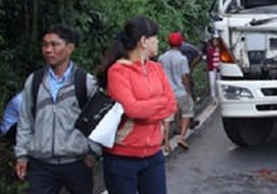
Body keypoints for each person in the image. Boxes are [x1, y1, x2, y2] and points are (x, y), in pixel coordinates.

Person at [14, 24, 99, 194]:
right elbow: (25, 120)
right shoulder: (35, 81)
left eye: (54, 44)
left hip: (77, 163)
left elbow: (99, 120)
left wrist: (93, 151)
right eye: (45, 45)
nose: (48, 50)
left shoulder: (85, 81)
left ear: (69, 48)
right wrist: (22, 155)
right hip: (41, 165)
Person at [95, 15, 176, 194]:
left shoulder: (156, 68)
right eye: (155, 38)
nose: (158, 42)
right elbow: (132, 109)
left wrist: (145, 110)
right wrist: (158, 104)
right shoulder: (118, 71)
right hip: (122, 156)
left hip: (154, 153)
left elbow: (171, 104)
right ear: (144, 41)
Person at [158, 32, 200, 153]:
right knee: (187, 113)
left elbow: (160, 75)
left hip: (167, 92)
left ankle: (166, 143)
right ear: (180, 44)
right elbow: (185, 76)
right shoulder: (182, 59)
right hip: (180, 91)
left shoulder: (162, 58)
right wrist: (188, 90)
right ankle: (181, 137)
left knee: (167, 118)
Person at [206, 37, 221, 104]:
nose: (215, 42)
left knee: (218, 83)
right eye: (214, 41)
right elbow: (208, 59)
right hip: (212, 68)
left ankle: (219, 96)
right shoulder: (210, 50)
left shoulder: (220, 50)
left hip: (219, 69)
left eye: (216, 41)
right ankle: (213, 97)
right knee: (212, 83)